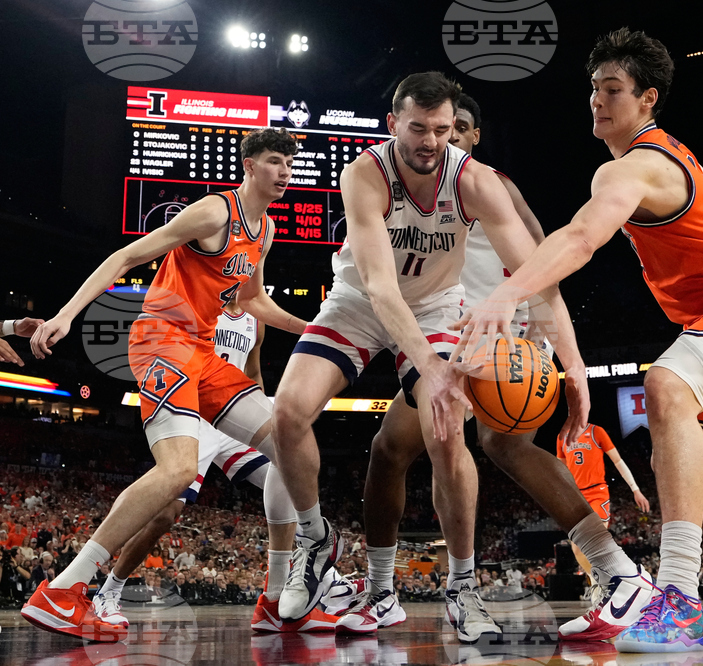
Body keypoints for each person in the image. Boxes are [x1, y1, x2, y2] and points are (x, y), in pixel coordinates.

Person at [454, 28, 703, 653]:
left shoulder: (639, 164)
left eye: (612, 90)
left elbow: (579, 238)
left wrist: (506, 294)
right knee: (684, 464)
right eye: (593, 89)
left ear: (648, 99)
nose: (597, 101)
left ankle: (677, 594)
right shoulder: (646, 160)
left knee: (663, 386)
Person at [271, 73, 592, 641]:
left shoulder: (477, 182)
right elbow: (379, 284)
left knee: (446, 431)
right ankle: (316, 539)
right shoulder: (364, 174)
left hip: (438, 307)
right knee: (288, 411)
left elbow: (541, 280)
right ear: (394, 123)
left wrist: (574, 367)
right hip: (361, 300)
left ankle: (462, 587)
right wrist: (433, 368)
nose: (429, 140)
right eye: (417, 128)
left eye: (441, 130)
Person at [331, 91, 654, 643]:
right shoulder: (402, 181)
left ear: (473, 135)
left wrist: (557, 347)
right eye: (436, 127)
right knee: (402, 449)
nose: (445, 137)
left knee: (474, 444)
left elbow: (544, 261)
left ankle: (447, 588)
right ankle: (616, 572)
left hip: (500, 340)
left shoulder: (490, 183)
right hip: (454, 336)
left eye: (457, 127)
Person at [21, 128, 308, 642]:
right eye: (273, 160)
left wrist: (314, 330)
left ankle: (275, 596)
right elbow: (127, 256)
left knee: (292, 447)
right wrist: (66, 315)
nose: (284, 170)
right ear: (248, 164)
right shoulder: (214, 212)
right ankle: (64, 590)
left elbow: (253, 301)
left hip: (203, 349)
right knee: (176, 472)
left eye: (290, 162)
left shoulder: (263, 231)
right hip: (162, 338)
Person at [90, 300, 330, 632]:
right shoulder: (199, 306)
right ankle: (108, 591)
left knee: (294, 470)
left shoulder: (255, 320)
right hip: (195, 415)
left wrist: (259, 412)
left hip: (233, 418)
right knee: (164, 515)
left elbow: (252, 372)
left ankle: (297, 587)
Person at [556, 423, 650, 584]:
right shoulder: (561, 437)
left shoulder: (596, 431)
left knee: (597, 541)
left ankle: (633, 578)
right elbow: (561, 471)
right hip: (576, 494)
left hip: (596, 492)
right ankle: (597, 583)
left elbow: (618, 461)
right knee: (577, 547)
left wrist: (635, 489)